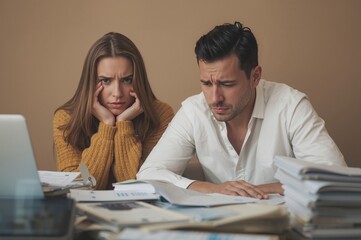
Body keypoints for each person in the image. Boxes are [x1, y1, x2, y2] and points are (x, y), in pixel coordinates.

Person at [137, 22, 346, 199]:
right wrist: (213, 189)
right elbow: (149, 174)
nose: (214, 98)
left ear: (255, 77)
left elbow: (336, 178)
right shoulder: (194, 111)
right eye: (206, 84)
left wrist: (261, 190)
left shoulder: (290, 105)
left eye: (227, 84)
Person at [53, 32, 174, 190]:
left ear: (138, 80)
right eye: (105, 81)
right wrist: (107, 127)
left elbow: (142, 187)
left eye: (126, 80)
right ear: (91, 82)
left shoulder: (160, 114)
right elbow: (79, 188)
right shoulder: (66, 118)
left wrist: (123, 124)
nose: (117, 93)